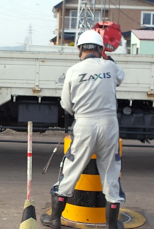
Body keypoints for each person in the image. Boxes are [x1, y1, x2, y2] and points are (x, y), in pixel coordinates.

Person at [40, 30, 126, 229]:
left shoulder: (73, 71)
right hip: (109, 125)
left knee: (71, 170)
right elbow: (121, 78)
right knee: (111, 173)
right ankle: (112, 225)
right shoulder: (111, 67)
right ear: (100, 49)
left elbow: (66, 104)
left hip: (84, 124)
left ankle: (54, 219)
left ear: (80, 49)